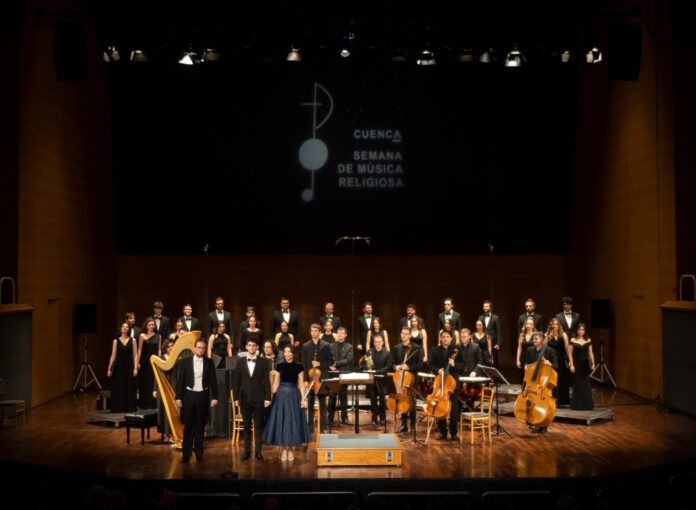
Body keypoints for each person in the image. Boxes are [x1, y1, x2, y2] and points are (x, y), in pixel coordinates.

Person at [263, 345, 312, 461]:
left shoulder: (298, 366)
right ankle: (284, 449)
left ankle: (290, 449)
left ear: (293, 353)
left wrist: (303, 399)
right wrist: (272, 397)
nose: (287, 354)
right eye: (285, 352)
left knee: (292, 422)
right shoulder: (279, 365)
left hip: (294, 395)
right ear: (283, 354)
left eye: (289, 352)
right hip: (281, 395)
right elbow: (276, 383)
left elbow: (300, 383)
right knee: (283, 421)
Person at [175, 338, 218, 463]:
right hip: (189, 396)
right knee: (188, 427)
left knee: (200, 426)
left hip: (203, 396)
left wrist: (214, 397)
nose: (201, 350)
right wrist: (178, 397)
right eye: (199, 347)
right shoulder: (186, 362)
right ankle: (186, 455)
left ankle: (199, 455)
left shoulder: (209, 362)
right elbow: (180, 381)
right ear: (194, 348)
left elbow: (213, 381)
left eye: (203, 348)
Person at [233, 337, 271, 461]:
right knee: (247, 426)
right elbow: (237, 381)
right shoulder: (240, 361)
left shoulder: (263, 362)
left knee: (258, 427)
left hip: (259, 398)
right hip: (244, 398)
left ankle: (258, 452)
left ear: (257, 347)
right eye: (249, 345)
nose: (251, 347)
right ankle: (247, 452)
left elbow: (267, 382)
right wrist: (236, 398)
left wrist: (267, 398)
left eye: (254, 345)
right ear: (246, 347)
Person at [427, 330, 465, 441]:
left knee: (454, 410)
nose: (445, 339)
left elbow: (463, 365)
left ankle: (453, 433)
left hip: (452, 385)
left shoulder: (456, 349)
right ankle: (442, 432)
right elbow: (430, 364)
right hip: (440, 383)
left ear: (451, 338)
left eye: (447, 337)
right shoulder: (435, 350)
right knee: (439, 408)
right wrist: (437, 370)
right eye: (443, 337)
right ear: (440, 338)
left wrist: (454, 365)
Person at [523, 331, 559, 434]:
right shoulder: (529, 350)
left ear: (543, 340)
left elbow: (557, 365)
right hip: (533, 383)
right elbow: (525, 362)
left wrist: (550, 363)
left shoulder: (550, 351)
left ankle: (544, 425)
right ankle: (536, 424)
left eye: (536, 338)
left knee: (544, 404)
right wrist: (525, 365)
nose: (534, 340)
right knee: (533, 404)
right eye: (533, 338)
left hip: (544, 383)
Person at [301, 323, 335, 433]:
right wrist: (305, 380)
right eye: (312, 331)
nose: (313, 333)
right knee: (310, 404)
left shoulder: (325, 345)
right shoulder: (306, 346)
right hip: (310, 379)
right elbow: (304, 364)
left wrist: (319, 364)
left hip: (321, 379)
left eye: (316, 331)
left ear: (320, 332)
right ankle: (309, 428)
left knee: (322, 404)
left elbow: (330, 361)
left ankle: (323, 427)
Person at [393, 327, 423, 433]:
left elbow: (420, 365)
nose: (404, 335)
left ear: (410, 335)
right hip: (401, 379)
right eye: (402, 333)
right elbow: (392, 363)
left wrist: (409, 367)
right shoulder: (397, 348)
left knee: (412, 402)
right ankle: (404, 425)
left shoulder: (417, 348)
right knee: (402, 400)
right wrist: (395, 367)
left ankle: (413, 426)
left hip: (412, 378)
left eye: (406, 334)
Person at [108, 322, 138, 412]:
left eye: (127, 327)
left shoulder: (133, 340)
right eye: (123, 327)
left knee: (129, 386)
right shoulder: (115, 341)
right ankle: (119, 407)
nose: (125, 328)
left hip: (129, 365)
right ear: (120, 329)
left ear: (128, 329)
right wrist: (109, 368)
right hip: (118, 366)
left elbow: (135, 355)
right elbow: (113, 355)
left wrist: (135, 367)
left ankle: (129, 407)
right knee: (119, 386)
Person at [365, 333, 393, 426]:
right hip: (372, 381)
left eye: (379, 342)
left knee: (382, 400)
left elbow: (388, 366)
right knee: (373, 400)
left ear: (383, 342)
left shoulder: (387, 353)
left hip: (382, 381)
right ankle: (374, 418)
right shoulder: (369, 352)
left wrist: (377, 371)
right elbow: (365, 364)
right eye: (376, 342)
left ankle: (382, 418)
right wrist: (367, 369)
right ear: (373, 343)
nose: (378, 343)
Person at [328, 327, 354, 426]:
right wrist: (331, 365)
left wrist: (336, 363)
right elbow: (328, 357)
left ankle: (344, 417)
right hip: (333, 374)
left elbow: (349, 359)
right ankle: (330, 417)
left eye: (342, 333)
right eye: (338, 333)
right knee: (332, 396)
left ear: (345, 335)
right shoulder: (331, 345)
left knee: (343, 396)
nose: (340, 335)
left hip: (344, 374)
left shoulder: (349, 347)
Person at [153, 339, 176, 443]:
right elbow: (156, 375)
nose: (171, 348)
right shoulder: (161, 358)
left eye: (172, 346)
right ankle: (165, 434)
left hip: (172, 386)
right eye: (169, 346)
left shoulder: (176, 358)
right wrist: (154, 389)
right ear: (165, 348)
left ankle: (172, 435)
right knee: (163, 411)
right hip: (162, 387)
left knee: (171, 412)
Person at [569, 323, 595, 410]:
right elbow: (570, 353)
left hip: (585, 365)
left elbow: (590, 353)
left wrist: (593, 363)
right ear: (577, 330)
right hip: (576, 364)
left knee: (586, 384)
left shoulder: (588, 340)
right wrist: (571, 365)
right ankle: (577, 405)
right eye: (579, 330)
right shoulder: (573, 340)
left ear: (584, 331)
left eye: (582, 330)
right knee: (577, 384)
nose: (581, 331)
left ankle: (587, 405)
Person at [546, 317, 571, 406]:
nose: (555, 325)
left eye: (556, 324)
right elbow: (544, 349)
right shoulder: (547, 335)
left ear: (559, 325)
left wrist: (570, 361)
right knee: (552, 380)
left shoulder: (563, 335)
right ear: (550, 325)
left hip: (561, 360)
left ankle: (562, 400)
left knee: (561, 380)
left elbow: (567, 350)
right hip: (551, 361)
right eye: (553, 324)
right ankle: (552, 400)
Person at [137, 318, 161, 409]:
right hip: (144, 362)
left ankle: (153, 404)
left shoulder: (158, 336)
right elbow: (139, 350)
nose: (152, 326)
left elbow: (159, 350)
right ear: (146, 326)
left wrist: (159, 361)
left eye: (153, 325)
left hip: (154, 361)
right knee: (144, 383)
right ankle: (144, 404)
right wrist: (138, 362)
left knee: (152, 383)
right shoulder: (142, 336)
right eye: (150, 325)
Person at [478, 301, 502, 366]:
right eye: (484, 306)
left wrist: (498, 343)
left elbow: (498, 331)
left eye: (486, 306)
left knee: (493, 360)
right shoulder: (480, 317)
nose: (485, 308)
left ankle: (494, 375)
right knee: (483, 359)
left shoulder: (495, 318)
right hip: (483, 342)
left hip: (493, 342)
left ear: (490, 308)